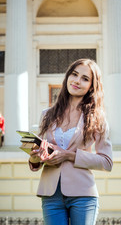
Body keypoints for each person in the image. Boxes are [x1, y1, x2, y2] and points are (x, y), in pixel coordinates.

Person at [29, 58, 113, 225]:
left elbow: (107, 162)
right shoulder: (47, 114)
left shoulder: (97, 118)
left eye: (85, 78)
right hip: (51, 195)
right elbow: (38, 158)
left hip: (83, 195)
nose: (77, 81)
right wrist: (35, 158)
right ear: (67, 77)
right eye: (74, 75)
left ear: (92, 86)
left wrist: (69, 155)